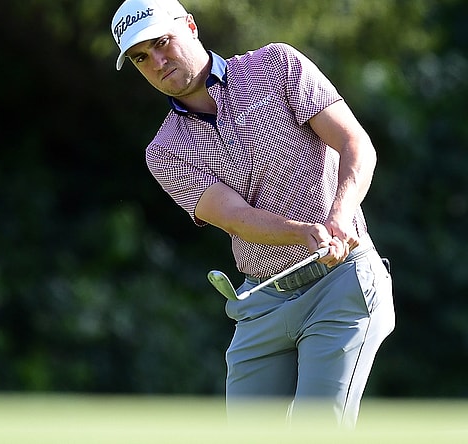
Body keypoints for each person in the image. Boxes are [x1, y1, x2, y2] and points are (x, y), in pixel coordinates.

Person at [110, 0, 395, 428]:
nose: (157, 62)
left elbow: (356, 144)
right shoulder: (165, 150)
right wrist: (305, 233)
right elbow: (236, 217)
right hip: (263, 300)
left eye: (162, 43)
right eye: (141, 58)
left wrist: (341, 212)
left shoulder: (276, 65)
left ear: (190, 26)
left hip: (341, 285)